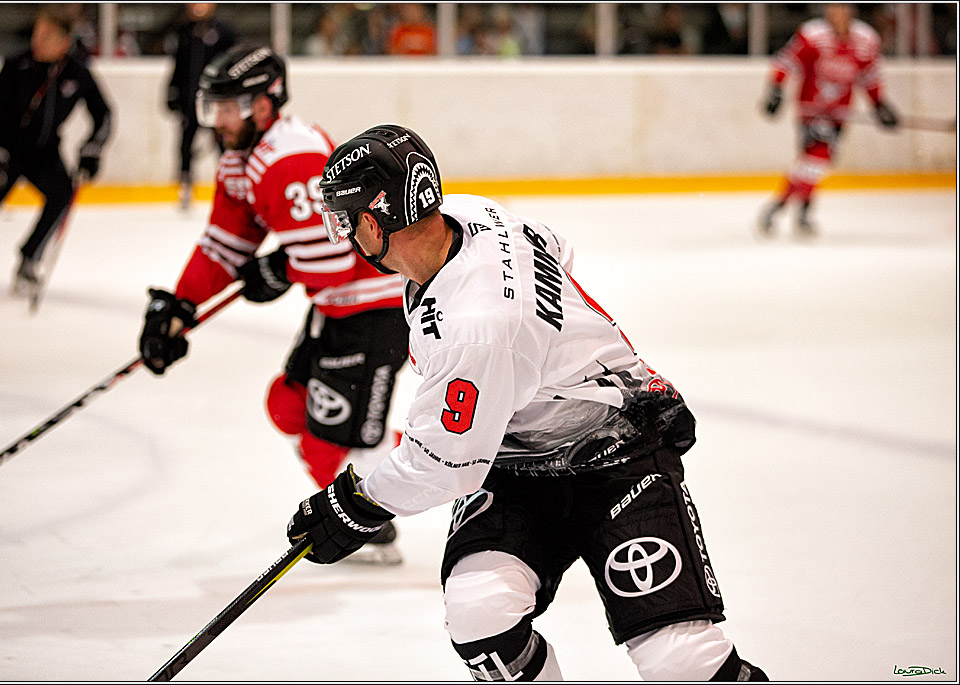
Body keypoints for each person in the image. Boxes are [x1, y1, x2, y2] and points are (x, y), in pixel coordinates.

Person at [285, 124, 769, 680]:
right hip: (518, 465)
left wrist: (355, 506)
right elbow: (555, 247)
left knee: (680, 661)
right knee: (478, 612)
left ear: (374, 221)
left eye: (346, 222)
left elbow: (444, 466)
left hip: (618, 454)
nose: (343, 235)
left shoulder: (480, 324)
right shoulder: (468, 214)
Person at [139, 46, 410, 564]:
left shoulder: (291, 157)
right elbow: (224, 243)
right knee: (287, 406)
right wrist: (179, 305)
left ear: (265, 104)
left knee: (330, 437)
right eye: (213, 107)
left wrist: (280, 269)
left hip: (374, 310)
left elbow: (333, 254)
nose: (218, 120)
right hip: (336, 307)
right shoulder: (244, 159)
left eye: (229, 107)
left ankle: (376, 515)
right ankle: (403, 467)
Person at [0, 5, 111, 291]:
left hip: (43, 153)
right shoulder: (16, 65)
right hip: (5, 151)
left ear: (64, 42)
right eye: (36, 33)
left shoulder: (76, 72)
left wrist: (93, 147)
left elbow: (104, 114)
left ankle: (29, 259)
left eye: (46, 35)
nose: (37, 41)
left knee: (61, 194)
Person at [759, 3, 898, 236]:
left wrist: (880, 104)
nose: (835, 14)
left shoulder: (866, 39)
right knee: (817, 157)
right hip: (811, 110)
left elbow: (869, 75)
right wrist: (776, 88)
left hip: (839, 113)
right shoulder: (813, 35)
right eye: (831, 8)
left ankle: (789, 209)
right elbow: (787, 61)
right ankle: (787, 208)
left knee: (812, 164)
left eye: (841, 8)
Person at [165, 3, 236, 209]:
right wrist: (171, 91)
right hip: (189, 102)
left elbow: (232, 66)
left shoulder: (224, 33)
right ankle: (185, 184)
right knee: (185, 144)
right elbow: (177, 67)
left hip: (217, 102)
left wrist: (228, 97)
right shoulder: (183, 32)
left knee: (223, 145)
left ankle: (230, 186)